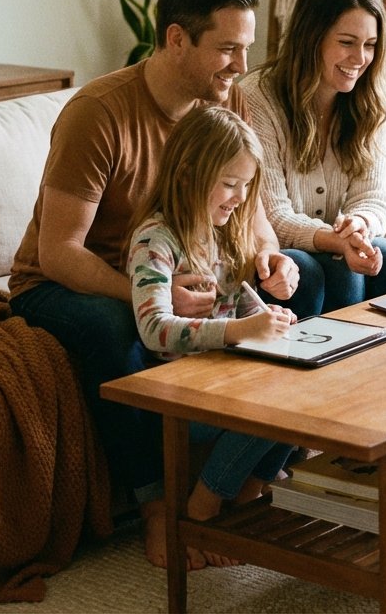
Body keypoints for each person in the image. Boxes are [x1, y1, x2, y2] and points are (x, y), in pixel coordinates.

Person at [7, 0, 300, 565]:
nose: (241, 68)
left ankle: (244, 470)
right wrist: (155, 296)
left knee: (305, 286)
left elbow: (251, 208)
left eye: (245, 49)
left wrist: (268, 257)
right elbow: (57, 252)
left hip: (184, 269)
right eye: (226, 49)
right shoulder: (100, 113)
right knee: (115, 330)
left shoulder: (225, 99)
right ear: (176, 40)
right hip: (73, 282)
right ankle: (156, 505)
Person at [126, 105, 296, 569]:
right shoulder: (155, 240)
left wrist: (265, 314)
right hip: (180, 389)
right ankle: (201, 509)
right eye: (229, 184)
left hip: (219, 374)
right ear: (187, 174)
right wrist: (241, 331)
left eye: (246, 186)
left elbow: (235, 294)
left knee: (306, 384)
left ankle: (249, 489)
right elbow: (155, 329)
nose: (240, 198)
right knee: (268, 401)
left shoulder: (217, 233)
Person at [240, 0, 386, 315]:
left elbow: (373, 197)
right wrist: (336, 239)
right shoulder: (258, 99)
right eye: (347, 43)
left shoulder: (371, 104)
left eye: (370, 45)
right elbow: (273, 215)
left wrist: (359, 226)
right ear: (312, 38)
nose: (360, 59)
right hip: (275, 251)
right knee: (317, 270)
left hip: (335, 243)